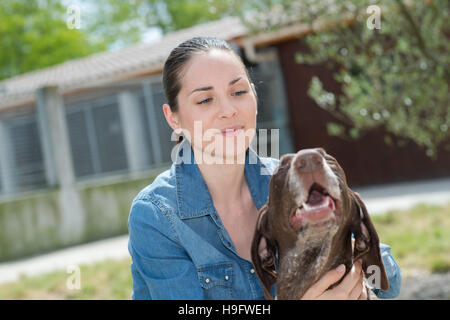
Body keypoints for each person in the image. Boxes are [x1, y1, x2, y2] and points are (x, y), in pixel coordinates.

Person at [127, 36, 401, 300]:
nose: (229, 110)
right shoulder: (156, 216)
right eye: (205, 100)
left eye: (238, 92)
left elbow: (389, 282)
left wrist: (352, 259)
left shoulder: (292, 180)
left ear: (255, 97)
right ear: (173, 118)